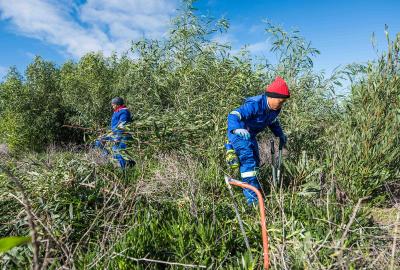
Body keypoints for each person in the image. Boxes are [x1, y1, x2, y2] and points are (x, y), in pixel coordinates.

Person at [227, 77, 290, 204]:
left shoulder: (274, 109)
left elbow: (273, 122)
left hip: (250, 136)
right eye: (280, 101)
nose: (281, 104)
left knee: (255, 163)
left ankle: (252, 189)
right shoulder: (255, 104)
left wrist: (280, 135)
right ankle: (253, 202)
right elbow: (234, 114)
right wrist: (236, 129)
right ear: (271, 97)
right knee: (249, 164)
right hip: (239, 135)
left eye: (283, 102)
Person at [95, 97, 135, 169]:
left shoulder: (124, 112)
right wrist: (104, 130)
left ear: (118, 104)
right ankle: (106, 154)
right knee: (99, 141)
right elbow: (114, 125)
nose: (112, 106)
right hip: (113, 134)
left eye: (113, 105)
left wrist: (118, 137)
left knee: (117, 151)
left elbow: (122, 125)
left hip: (122, 135)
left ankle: (124, 170)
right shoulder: (116, 111)